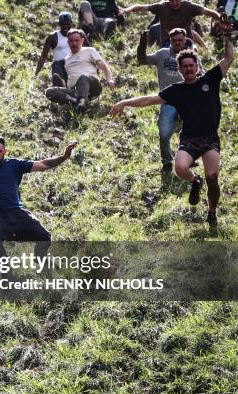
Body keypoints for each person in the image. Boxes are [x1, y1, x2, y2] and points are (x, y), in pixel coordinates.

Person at [110, 25, 233, 227]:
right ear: (180, 70)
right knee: (180, 167)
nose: (188, 69)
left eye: (191, 66)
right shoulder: (176, 90)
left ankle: (211, 212)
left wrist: (227, 35)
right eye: (184, 67)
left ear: (197, 66)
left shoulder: (210, 80)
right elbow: (148, 100)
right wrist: (124, 102)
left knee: (213, 177)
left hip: (210, 139)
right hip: (189, 139)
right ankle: (195, 181)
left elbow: (228, 58)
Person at [137, 27, 203, 171]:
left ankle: (188, 158)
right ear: (170, 41)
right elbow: (143, 60)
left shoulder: (191, 56)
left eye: (180, 40)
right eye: (174, 40)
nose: (177, 43)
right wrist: (142, 44)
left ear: (185, 40)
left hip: (188, 100)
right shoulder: (162, 54)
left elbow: (202, 76)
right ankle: (167, 162)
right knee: (164, 132)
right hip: (168, 101)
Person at [45, 29, 115, 112]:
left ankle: (82, 102)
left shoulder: (89, 51)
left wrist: (109, 79)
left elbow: (104, 66)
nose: (74, 43)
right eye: (71, 41)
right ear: (68, 42)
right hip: (75, 90)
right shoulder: (67, 59)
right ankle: (76, 101)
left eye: (76, 40)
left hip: (92, 85)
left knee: (83, 77)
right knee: (50, 91)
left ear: (82, 40)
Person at [119, 0, 221, 47]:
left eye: (177, 0)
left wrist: (221, 18)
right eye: (172, 0)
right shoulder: (162, 6)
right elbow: (142, 7)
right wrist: (127, 9)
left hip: (187, 42)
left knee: (192, 61)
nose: (174, 3)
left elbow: (208, 11)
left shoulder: (189, 6)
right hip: (168, 42)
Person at [35, 12, 83, 85]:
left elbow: (88, 50)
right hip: (60, 66)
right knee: (56, 64)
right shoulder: (53, 37)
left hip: (74, 63)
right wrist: (36, 73)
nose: (65, 27)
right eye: (63, 24)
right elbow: (43, 56)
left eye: (67, 24)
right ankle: (60, 83)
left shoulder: (78, 34)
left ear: (71, 23)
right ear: (59, 24)